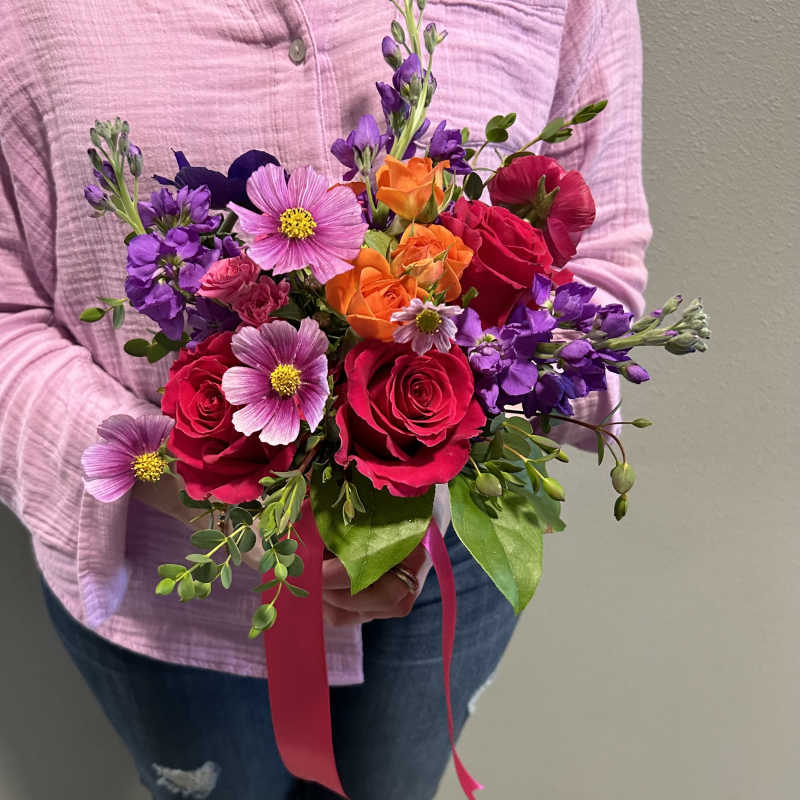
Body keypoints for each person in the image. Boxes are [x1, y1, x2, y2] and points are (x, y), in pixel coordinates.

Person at [0, 0, 650, 797]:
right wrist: (193, 485)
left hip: (443, 561)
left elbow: (601, 267)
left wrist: (487, 395)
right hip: (170, 590)